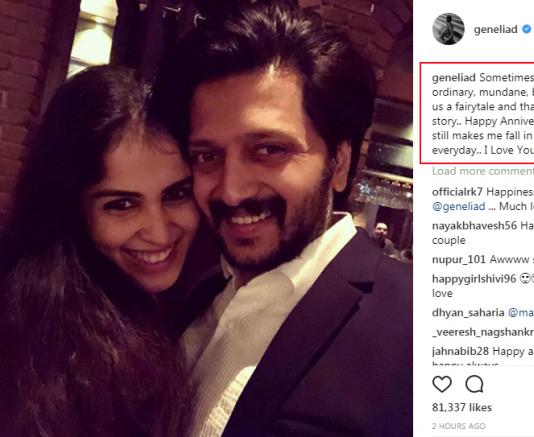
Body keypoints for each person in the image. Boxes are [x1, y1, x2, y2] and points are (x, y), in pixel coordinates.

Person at [150, 3, 412, 436]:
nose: (231, 191)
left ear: (339, 163)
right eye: (208, 155)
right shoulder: (198, 290)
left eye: (270, 149)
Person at [0, 65, 197, 436]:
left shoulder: (199, 296)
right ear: (70, 208)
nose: (158, 232)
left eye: (177, 194)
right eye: (121, 204)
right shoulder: (41, 345)